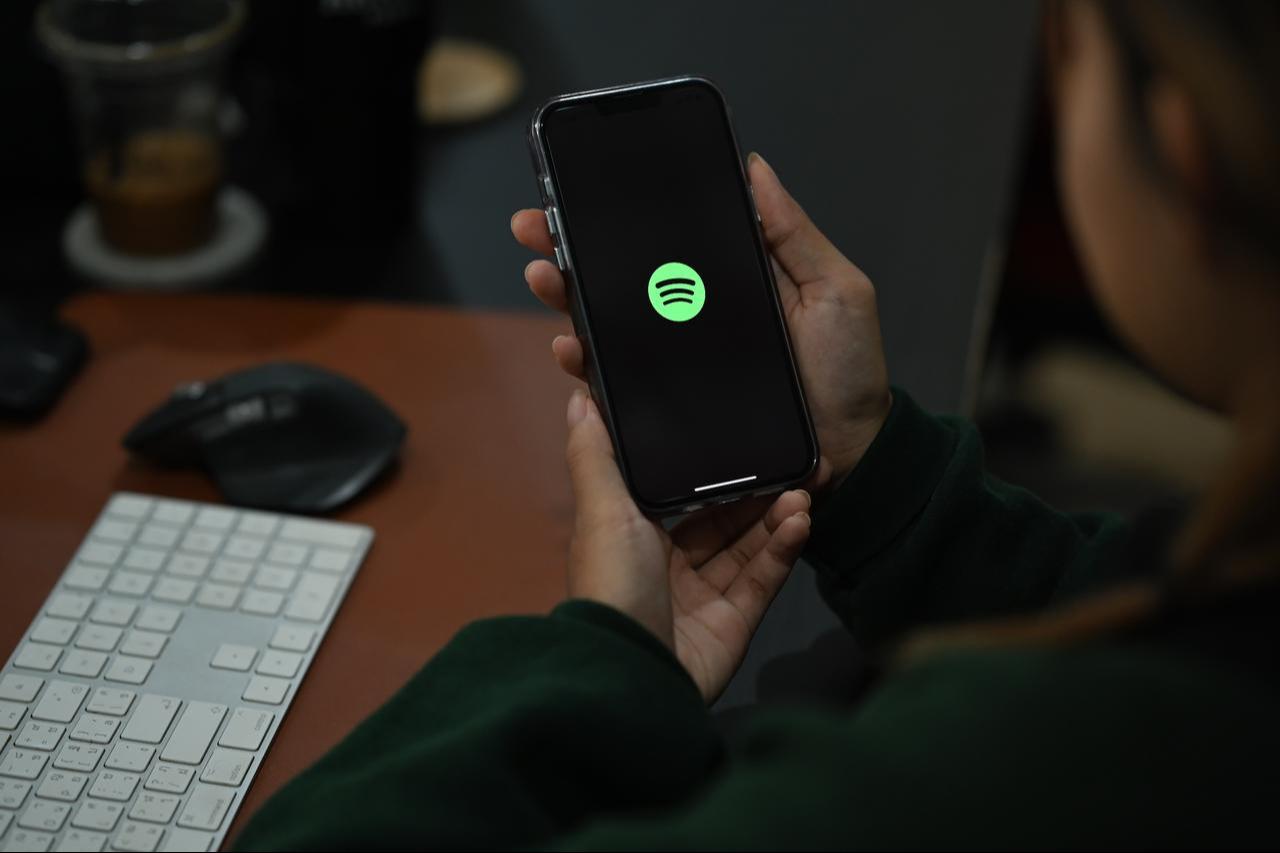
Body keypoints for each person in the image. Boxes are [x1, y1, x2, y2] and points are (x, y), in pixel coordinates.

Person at [234, 1, 1280, 848]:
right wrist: (885, 475)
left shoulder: (992, 776)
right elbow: (1129, 594)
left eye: (1067, 50)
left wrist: (598, 659)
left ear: (1179, 137)